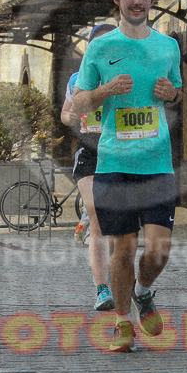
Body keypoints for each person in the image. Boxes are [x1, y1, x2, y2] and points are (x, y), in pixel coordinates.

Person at [72, 0, 183, 352]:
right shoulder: (100, 48)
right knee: (123, 249)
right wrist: (104, 91)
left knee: (159, 250)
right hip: (114, 163)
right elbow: (80, 101)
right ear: (117, 0)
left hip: (157, 164)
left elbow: (177, 91)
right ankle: (122, 322)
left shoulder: (168, 46)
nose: (138, 1)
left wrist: (172, 94)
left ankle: (143, 292)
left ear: (151, 1)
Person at [60, 23, 117, 311]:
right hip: (89, 152)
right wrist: (71, 117)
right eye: (98, 43)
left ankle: (117, 275)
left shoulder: (125, 76)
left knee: (117, 222)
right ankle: (102, 288)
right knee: (96, 214)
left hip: (119, 151)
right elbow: (65, 113)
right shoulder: (77, 79)